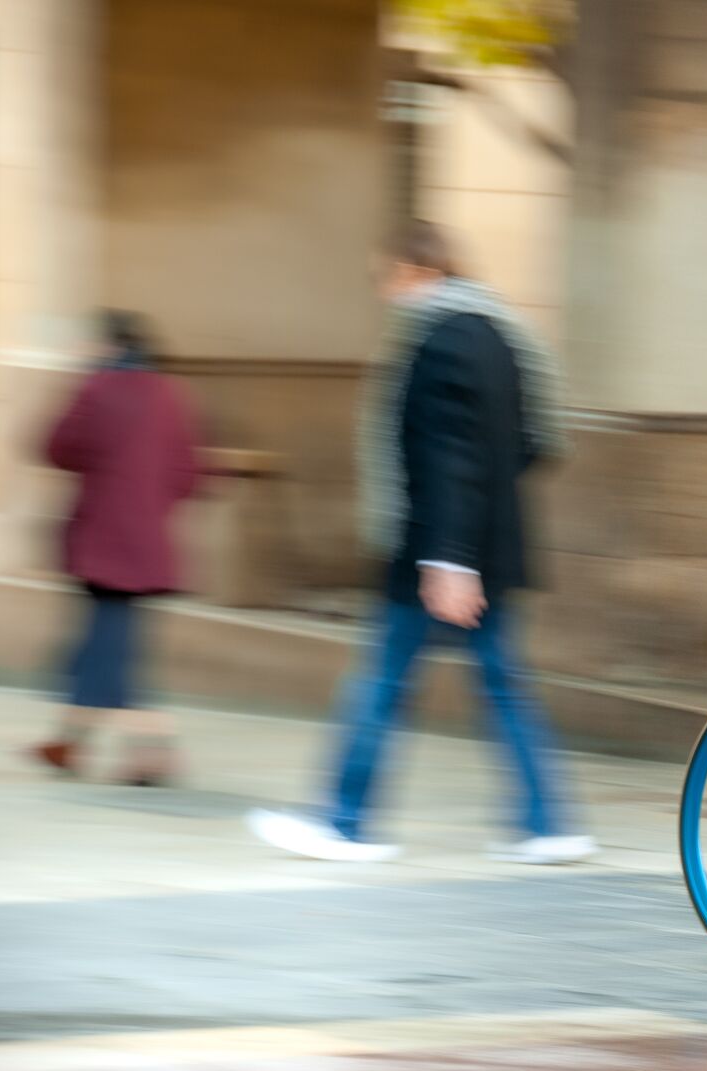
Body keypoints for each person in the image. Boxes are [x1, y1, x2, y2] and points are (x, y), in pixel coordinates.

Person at [248, 221, 595, 865]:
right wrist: (480, 526)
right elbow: (532, 443)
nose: (385, 294)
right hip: (488, 544)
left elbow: (447, 457)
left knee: (382, 681)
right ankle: (548, 823)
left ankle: (345, 822)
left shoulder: (438, 339)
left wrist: (449, 557)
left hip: (438, 552)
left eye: (387, 278)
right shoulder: (500, 335)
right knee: (499, 685)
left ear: (416, 272)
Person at [31, 310, 200, 786]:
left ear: (107, 348)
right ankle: (68, 744)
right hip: (147, 542)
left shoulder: (97, 388)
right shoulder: (170, 393)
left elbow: (56, 447)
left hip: (103, 541)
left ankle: (155, 749)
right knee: (102, 647)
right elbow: (189, 474)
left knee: (107, 651)